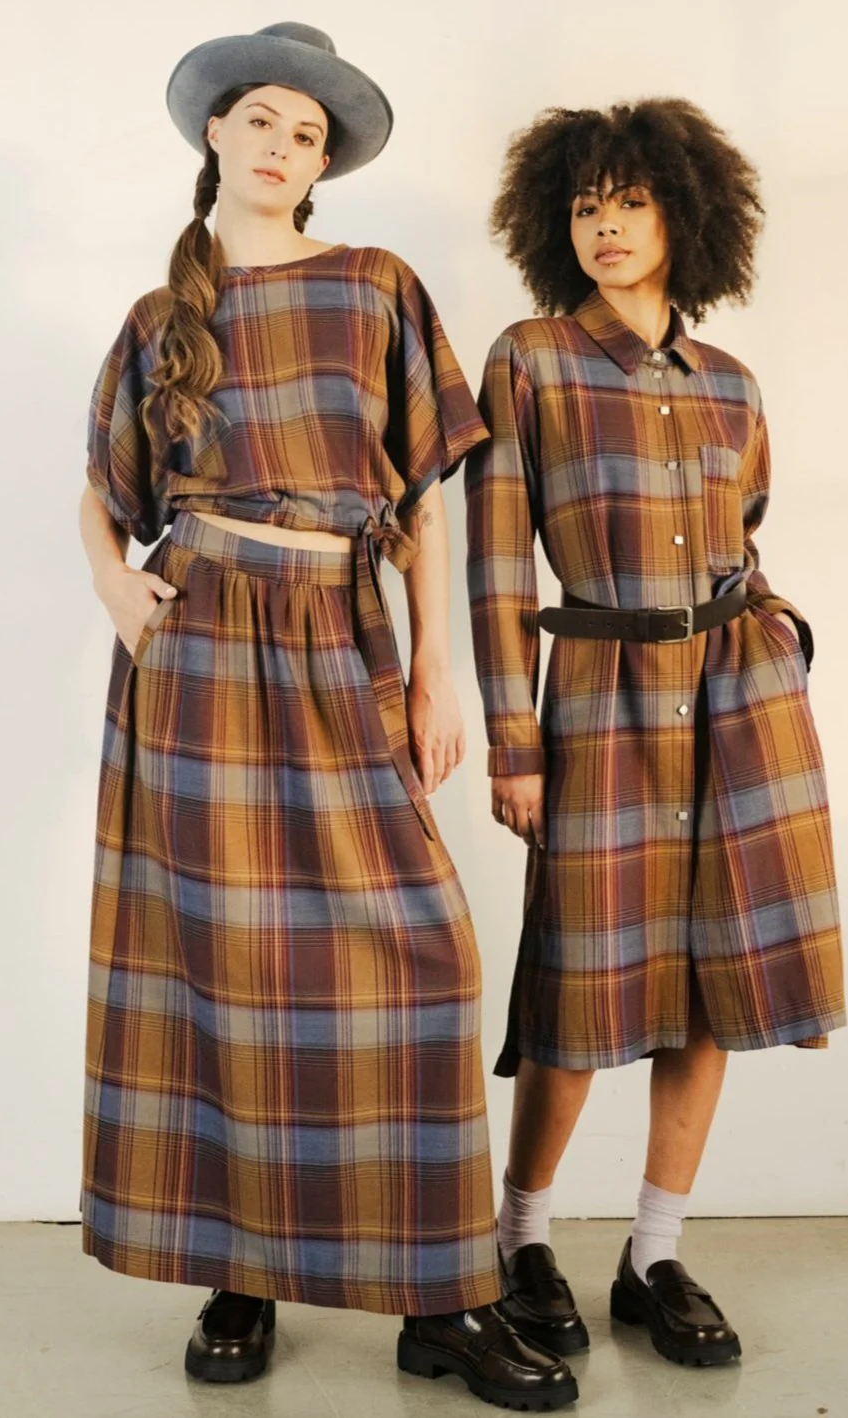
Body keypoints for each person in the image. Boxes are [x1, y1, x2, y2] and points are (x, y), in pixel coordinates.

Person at [77, 21, 577, 1410]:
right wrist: (115, 582)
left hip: (340, 638)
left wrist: (437, 673)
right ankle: (239, 1269)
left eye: (307, 133)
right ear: (215, 136)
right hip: (197, 653)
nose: (282, 145)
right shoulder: (160, 318)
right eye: (261, 120)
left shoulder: (375, 286)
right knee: (222, 964)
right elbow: (102, 492)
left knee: (422, 960)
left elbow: (425, 502)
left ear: (323, 163)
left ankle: (443, 1292)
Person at [465, 97, 845, 1373]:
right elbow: (494, 564)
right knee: (580, 982)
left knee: (710, 986)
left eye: (631, 202)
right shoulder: (529, 358)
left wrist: (781, 627)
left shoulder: (731, 383)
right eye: (586, 206)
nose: (607, 226)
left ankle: (654, 1253)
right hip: (602, 693)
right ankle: (521, 1238)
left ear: (685, 216)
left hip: (737, 700)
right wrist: (512, 739)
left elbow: (745, 534)